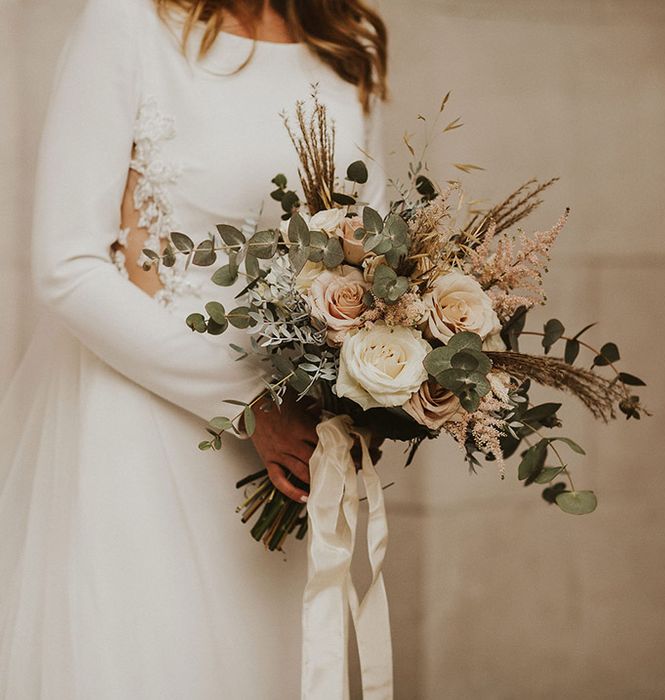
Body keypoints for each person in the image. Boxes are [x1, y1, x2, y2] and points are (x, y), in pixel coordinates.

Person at [0, 0, 387, 696]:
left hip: (293, 456)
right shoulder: (125, 23)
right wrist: (250, 402)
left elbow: (376, 249)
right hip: (145, 426)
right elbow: (66, 266)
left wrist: (385, 368)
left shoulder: (345, 43)